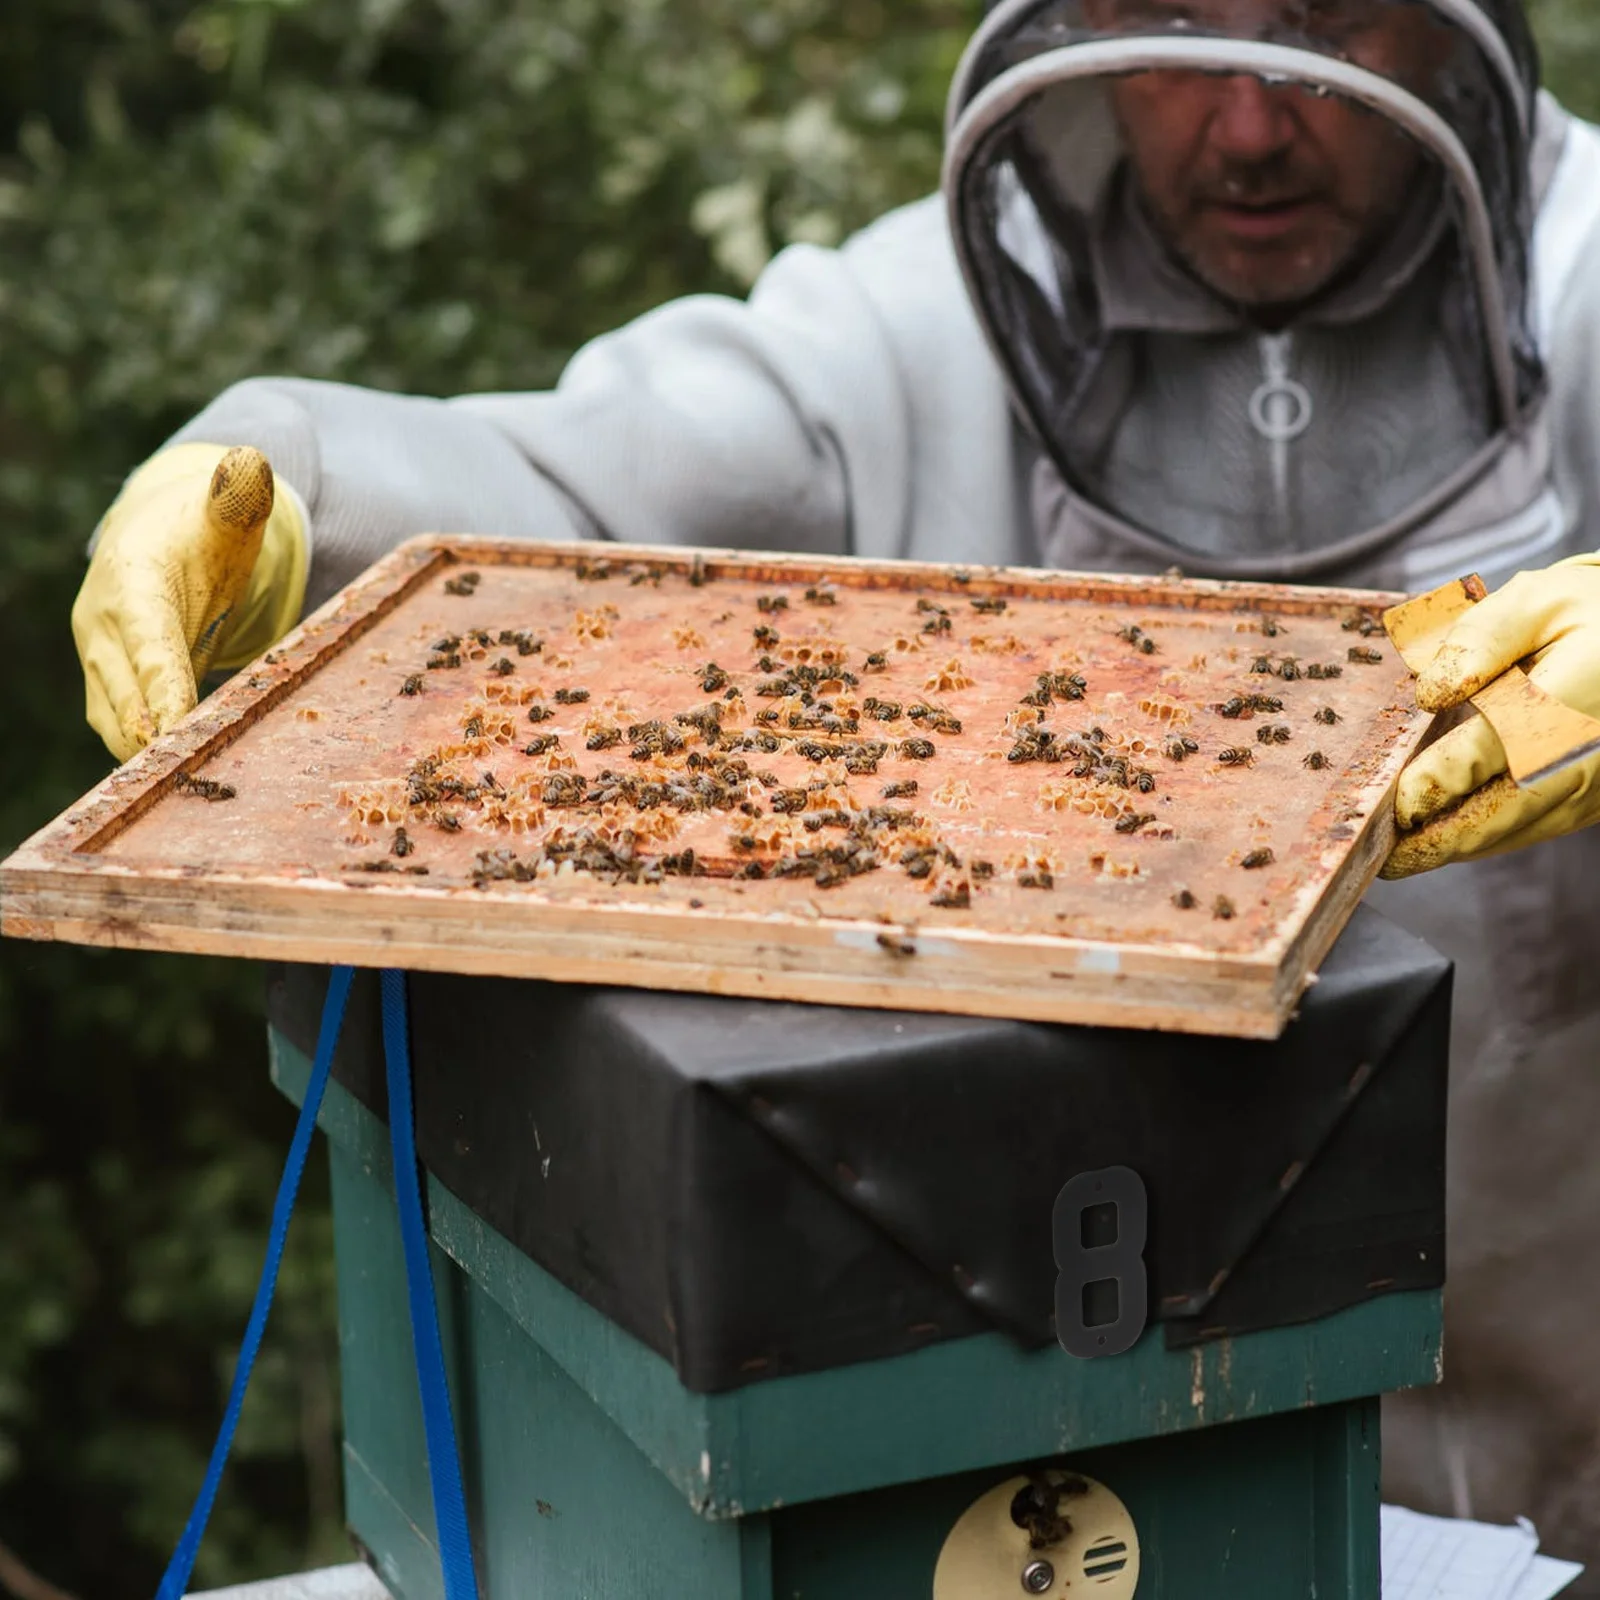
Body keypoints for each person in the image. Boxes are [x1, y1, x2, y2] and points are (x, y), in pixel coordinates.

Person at [69, 0, 1600, 1573]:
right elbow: (580, 481)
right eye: (1172, 24)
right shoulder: (923, 322)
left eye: (1326, 20)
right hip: (1076, 1433)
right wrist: (281, 494)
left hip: (1569, 1422)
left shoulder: (1584, 264)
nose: (1253, 119)